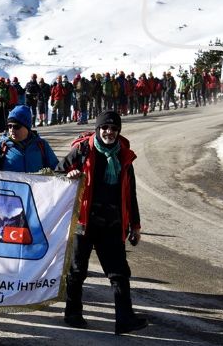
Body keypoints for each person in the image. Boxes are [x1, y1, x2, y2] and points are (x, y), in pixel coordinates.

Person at [56, 110, 147, 335]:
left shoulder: (124, 157)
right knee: (77, 271)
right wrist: (69, 175)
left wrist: (135, 226)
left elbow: (130, 195)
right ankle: (73, 314)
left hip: (113, 224)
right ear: (98, 129)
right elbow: (57, 174)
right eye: (105, 128)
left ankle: (125, 320)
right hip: (84, 222)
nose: (109, 132)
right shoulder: (83, 151)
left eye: (114, 129)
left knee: (119, 274)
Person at [0, 105, 58, 172]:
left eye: (16, 126)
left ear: (27, 127)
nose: (12, 130)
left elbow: (56, 169)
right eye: (9, 126)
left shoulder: (41, 145)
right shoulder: (1, 147)